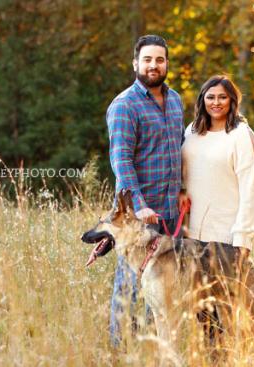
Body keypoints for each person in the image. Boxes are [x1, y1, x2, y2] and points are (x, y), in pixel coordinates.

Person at [106, 34, 184, 346]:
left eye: (160, 60)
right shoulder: (125, 105)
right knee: (130, 289)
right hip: (137, 218)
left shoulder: (176, 100)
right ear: (136, 63)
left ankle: (153, 352)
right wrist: (138, 205)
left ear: (167, 64)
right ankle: (122, 352)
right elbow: (121, 160)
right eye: (147, 60)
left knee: (161, 289)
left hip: (170, 215)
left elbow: (178, 150)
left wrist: (182, 191)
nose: (154, 65)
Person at [181, 75, 254, 278]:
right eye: (210, 97)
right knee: (196, 307)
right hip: (188, 236)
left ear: (232, 101)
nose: (216, 103)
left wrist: (243, 240)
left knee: (226, 307)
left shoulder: (241, 135)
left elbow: (250, 190)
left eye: (222, 97)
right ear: (202, 100)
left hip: (225, 239)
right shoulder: (191, 131)